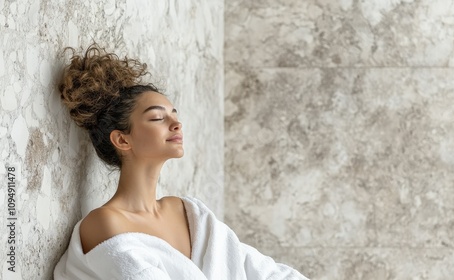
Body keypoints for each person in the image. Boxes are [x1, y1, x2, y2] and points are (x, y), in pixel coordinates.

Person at [53, 44, 308, 280]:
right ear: (122, 140)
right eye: (156, 118)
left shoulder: (186, 211)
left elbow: (257, 269)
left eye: (174, 115)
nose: (176, 124)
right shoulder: (105, 223)